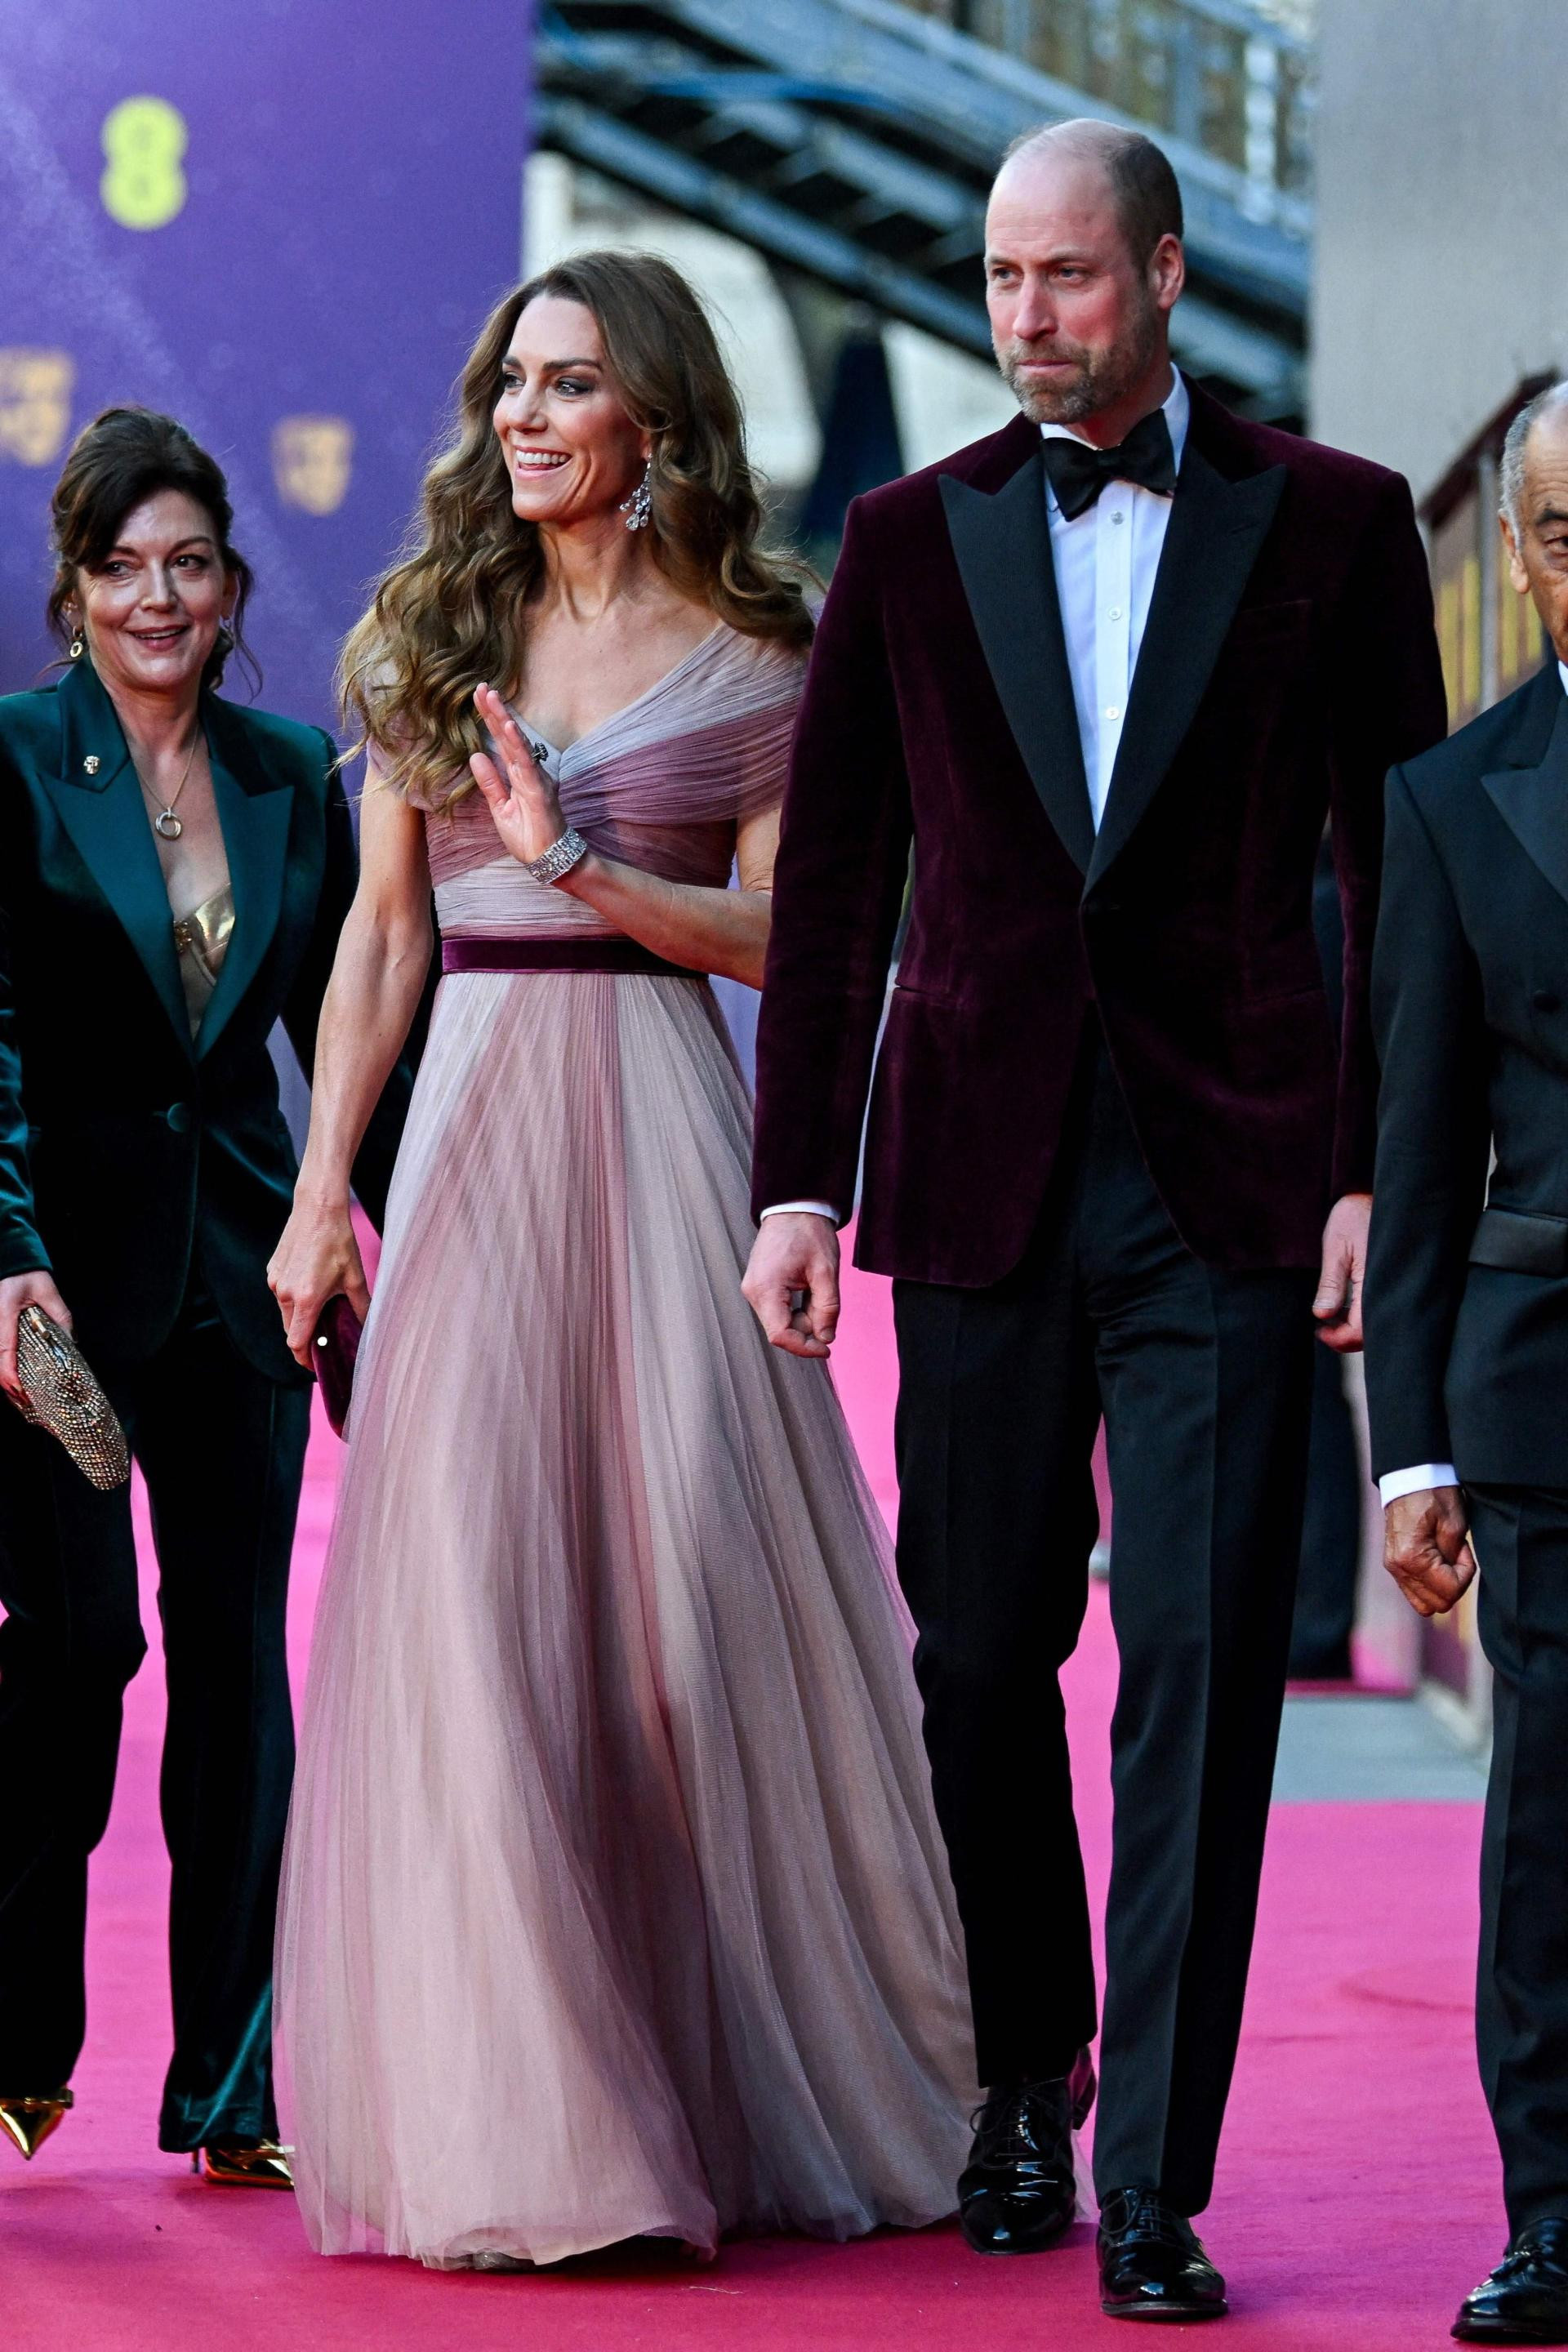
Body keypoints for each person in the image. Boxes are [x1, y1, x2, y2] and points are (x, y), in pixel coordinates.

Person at [743, 118, 1446, 2323]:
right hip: (977, 1173)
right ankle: (1022, 2074)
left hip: (1234, 1179)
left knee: (1205, 1676)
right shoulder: (905, 536)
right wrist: (796, 1179)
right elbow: (836, 887)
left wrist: (1371, 1167)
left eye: (1063, 274)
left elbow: (1397, 877)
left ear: (1160, 273)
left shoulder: (1334, 524)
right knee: (974, 1659)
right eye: (998, 276)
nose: (1024, 315)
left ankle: (1153, 2173)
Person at [268, 250, 975, 2271]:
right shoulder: (430, 633)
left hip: (663, 1129)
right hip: (471, 1136)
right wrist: (322, 1191)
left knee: (679, 1631)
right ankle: (542, 2139)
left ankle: (746, 2077)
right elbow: (384, 940)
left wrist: (582, 864)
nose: (522, 414)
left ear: (652, 418)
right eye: (510, 380)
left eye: (567, 382)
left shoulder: (761, 660)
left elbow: (798, 943)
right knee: (477, 1622)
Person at [0, 408, 408, 2185]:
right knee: (80, 1644)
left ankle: (231, 2089)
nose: (156, 598)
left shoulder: (288, 771)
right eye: (121, 567)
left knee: (242, 1672)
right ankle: (16, 2032)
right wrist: (4, 1252)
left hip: (243, 1290)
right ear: (74, 590)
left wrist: (399, 1223)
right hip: (52, 1307)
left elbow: (354, 1032)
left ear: (233, 586)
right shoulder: (13, 758)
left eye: (187, 565)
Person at [1365, 380, 1568, 2346]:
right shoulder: (1450, 799)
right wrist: (1407, 1446)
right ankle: (1557, 2217)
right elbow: (1418, 1159)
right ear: (1517, 556)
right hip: (1547, 1391)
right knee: (1558, 1818)